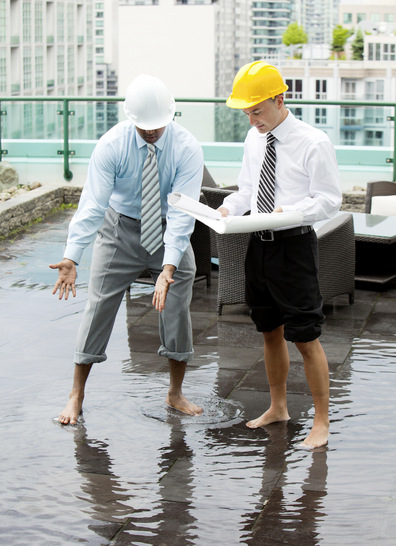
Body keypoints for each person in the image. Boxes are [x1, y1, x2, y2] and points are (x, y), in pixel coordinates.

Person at [50, 74, 204, 424]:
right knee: (98, 306)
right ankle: (76, 395)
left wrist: (168, 270)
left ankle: (175, 393)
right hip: (119, 229)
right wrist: (72, 256)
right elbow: (92, 205)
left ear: (171, 116)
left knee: (176, 307)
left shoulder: (187, 147)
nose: (152, 132)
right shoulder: (111, 145)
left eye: (158, 126)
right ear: (129, 117)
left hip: (168, 229)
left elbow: (182, 213)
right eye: (144, 127)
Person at [218, 61, 342, 449]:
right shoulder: (254, 140)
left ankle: (321, 421)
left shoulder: (313, 142)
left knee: (306, 337)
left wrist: (289, 214)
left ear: (279, 99)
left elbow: (329, 201)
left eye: (256, 109)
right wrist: (226, 208)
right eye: (246, 112)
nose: (250, 118)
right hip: (258, 245)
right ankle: (278, 407)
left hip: (295, 247)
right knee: (269, 332)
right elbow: (247, 190)